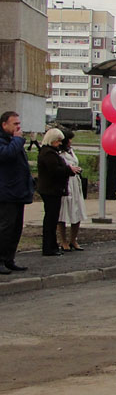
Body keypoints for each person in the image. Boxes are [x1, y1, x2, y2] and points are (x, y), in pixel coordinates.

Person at [0, 111, 33, 274]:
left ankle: (9, 259)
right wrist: (18, 140)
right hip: (6, 193)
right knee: (5, 228)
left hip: (18, 192)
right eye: (15, 124)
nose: (18, 127)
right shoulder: (5, 141)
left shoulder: (14, 141)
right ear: (4, 125)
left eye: (19, 124)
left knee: (15, 229)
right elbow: (6, 155)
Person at [36, 127, 78, 257]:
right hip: (51, 190)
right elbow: (55, 171)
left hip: (52, 189)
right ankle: (49, 247)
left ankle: (52, 245)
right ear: (52, 140)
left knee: (52, 218)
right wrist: (69, 170)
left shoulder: (50, 152)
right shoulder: (49, 153)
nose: (60, 143)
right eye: (58, 141)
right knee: (51, 219)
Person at [57, 130, 87, 251]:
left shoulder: (71, 151)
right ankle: (63, 240)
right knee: (63, 213)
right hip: (66, 183)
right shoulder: (60, 153)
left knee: (77, 211)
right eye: (69, 139)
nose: (71, 141)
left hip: (75, 183)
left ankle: (73, 239)